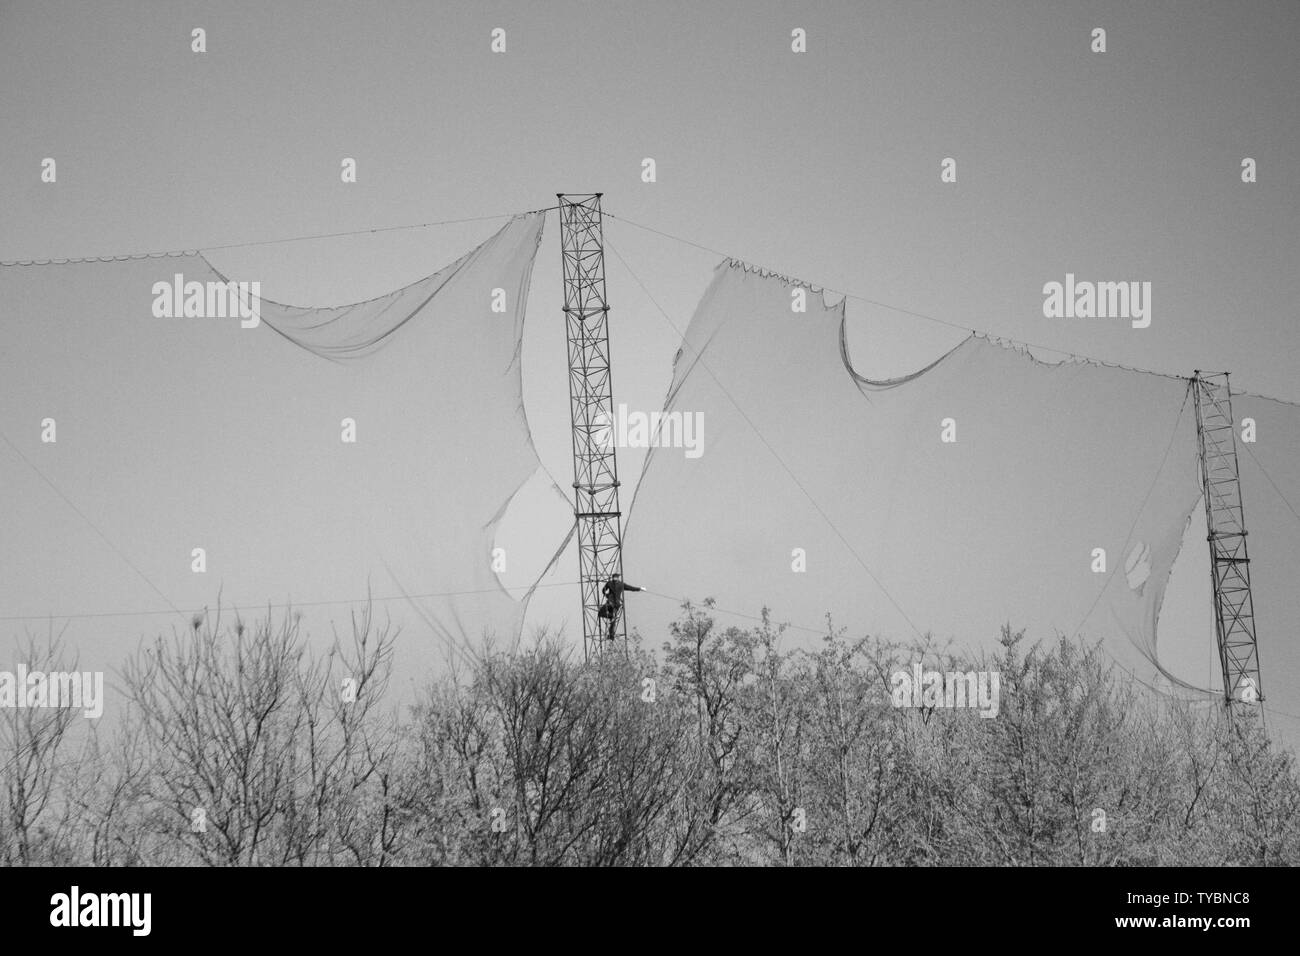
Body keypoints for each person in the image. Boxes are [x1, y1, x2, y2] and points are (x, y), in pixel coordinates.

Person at [597, 573, 642, 640]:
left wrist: (607, 595)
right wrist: (640, 589)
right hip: (617, 604)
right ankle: (611, 634)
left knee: (601, 613)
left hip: (610, 603)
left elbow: (603, 590)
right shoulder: (621, 584)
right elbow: (631, 588)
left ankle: (611, 620)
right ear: (617, 578)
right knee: (612, 620)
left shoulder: (610, 583)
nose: (616, 578)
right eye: (616, 577)